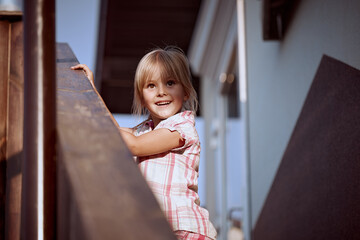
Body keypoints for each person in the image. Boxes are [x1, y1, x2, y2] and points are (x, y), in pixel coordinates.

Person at [71, 46, 217, 240]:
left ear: (187, 92)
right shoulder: (144, 131)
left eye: (170, 83)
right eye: (151, 86)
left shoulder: (182, 127)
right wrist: (92, 92)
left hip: (183, 228)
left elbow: (134, 145)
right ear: (141, 97)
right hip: (156, 226)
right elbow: (112, 131)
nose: (161, 92)